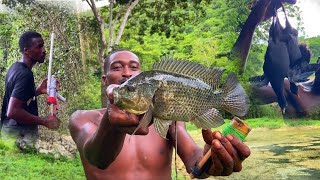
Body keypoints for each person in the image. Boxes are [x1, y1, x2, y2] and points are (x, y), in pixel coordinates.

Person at [69, 49, 251, 180]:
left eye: (134, 68)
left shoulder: (167, 118)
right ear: (104, 80)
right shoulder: (82, 118)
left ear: (142, 77)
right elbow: (97, 159)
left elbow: (194, 161)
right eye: (117, 67)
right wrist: (110, 124)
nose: (126, 73)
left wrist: (210, 158)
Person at [0, 31, 61, 151]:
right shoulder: (25, 74)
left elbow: (19, 99)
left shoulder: (14, 67)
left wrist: (37, 91)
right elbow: (12, 111)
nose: (44, 50)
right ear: (26, 51)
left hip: (9, 132)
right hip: (18, 136)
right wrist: (45, 122)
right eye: (39, 46)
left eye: (43, 46)